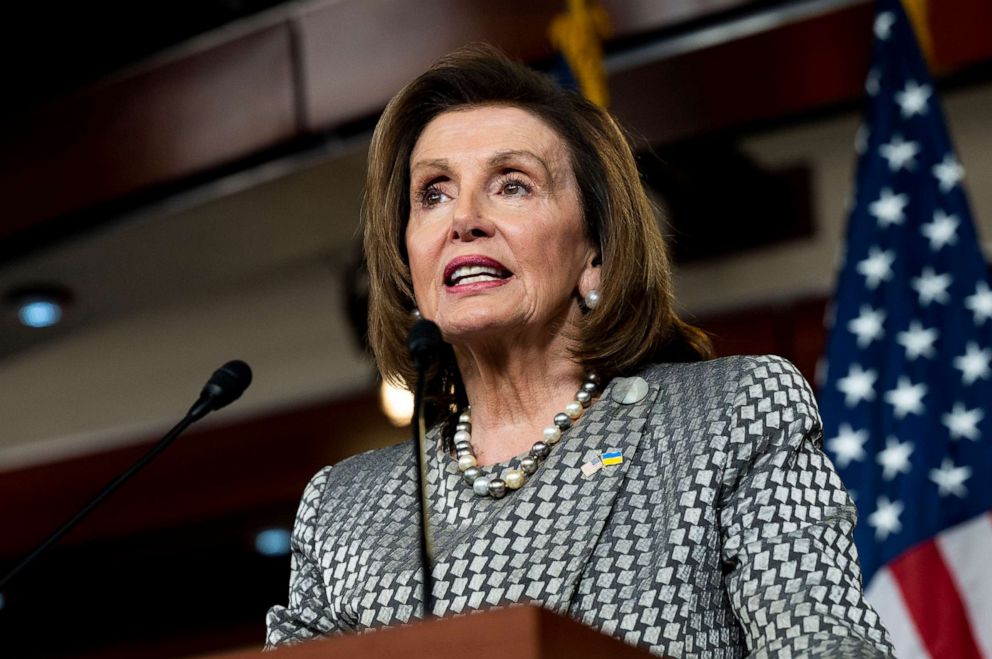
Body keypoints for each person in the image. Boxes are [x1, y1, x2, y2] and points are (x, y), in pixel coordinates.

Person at [266, 44, 893, 657]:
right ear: (408, 260)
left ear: (594, 253)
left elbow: (827, 646)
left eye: (511, 185)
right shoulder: (345, 509)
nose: (464, 219)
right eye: (433, 192)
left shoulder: (726, 418)